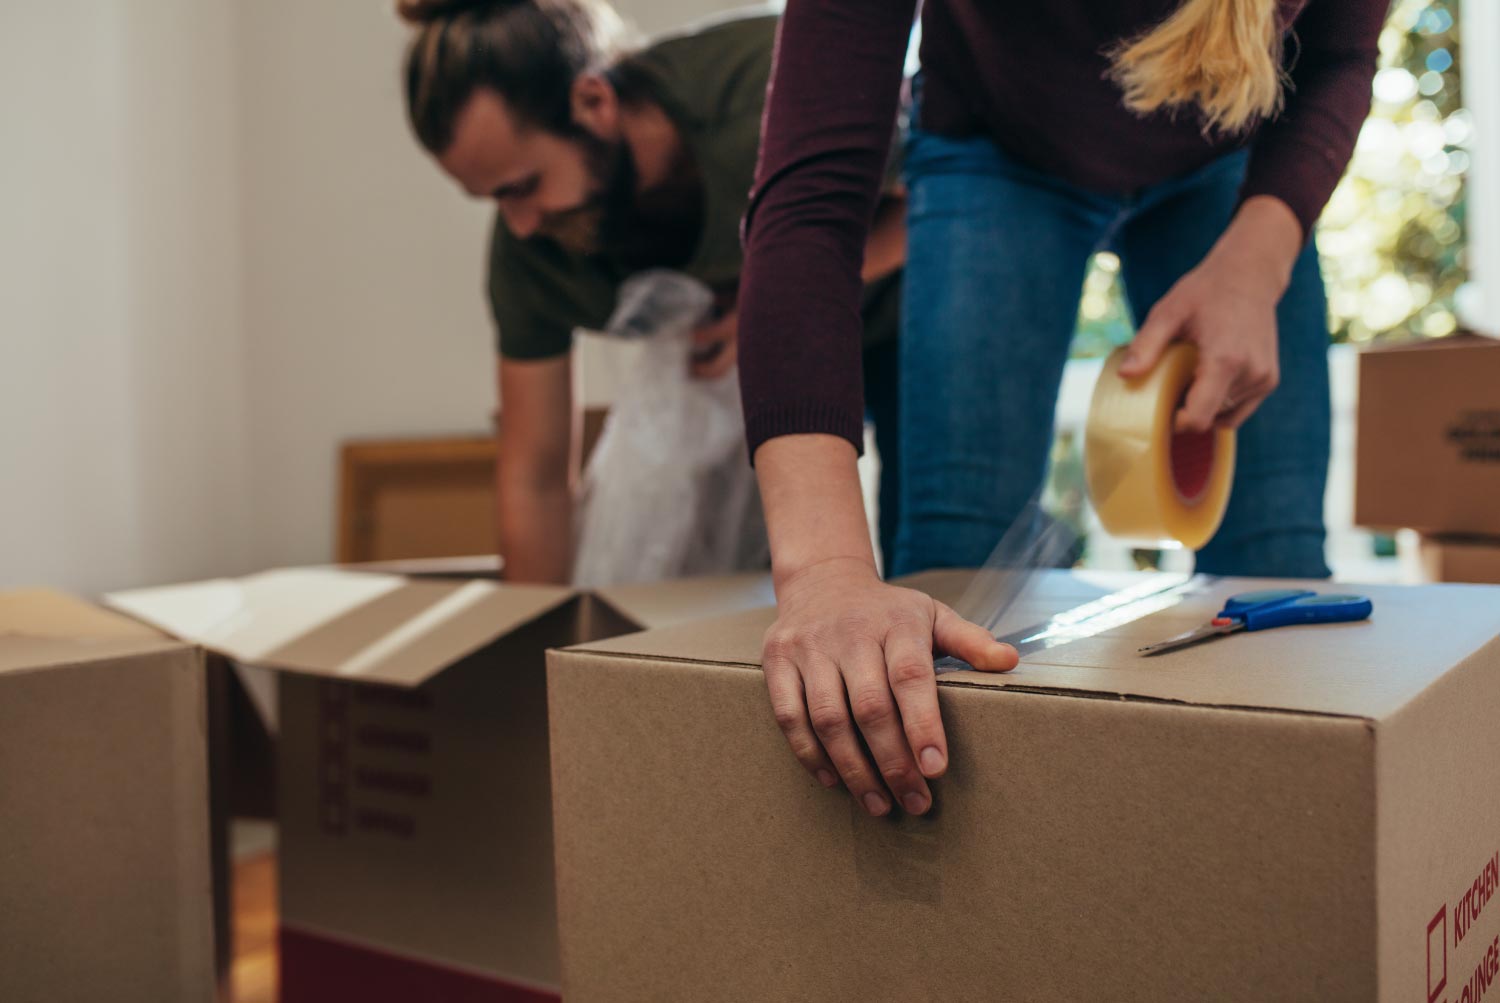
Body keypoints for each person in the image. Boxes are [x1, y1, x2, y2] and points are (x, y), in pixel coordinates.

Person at [736, 0, 1385, 817]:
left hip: (1234, 146)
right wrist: (823, 572)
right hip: (998, 142)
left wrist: (1259, 259)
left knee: (1278, 562)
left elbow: (1338, 56)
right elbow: (812, 201)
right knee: (953, 581)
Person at [398, 0, 908, 583]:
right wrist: (533, 646)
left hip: (896, 318)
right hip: (758, 385)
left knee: (923, 549)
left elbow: (937, 198)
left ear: (594, 102)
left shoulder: (758, 91)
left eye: (525, 186)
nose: (520, 224)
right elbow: (535, 476)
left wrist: (773, 302)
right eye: (492, 199)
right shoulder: (531, 254)